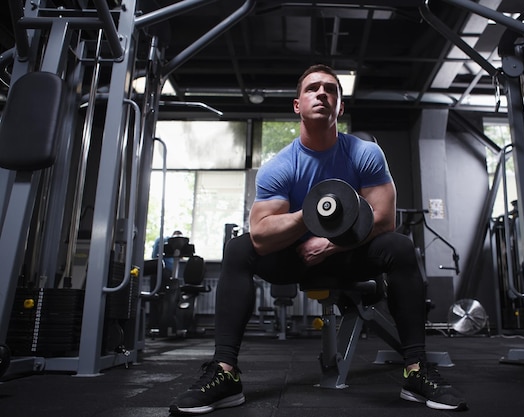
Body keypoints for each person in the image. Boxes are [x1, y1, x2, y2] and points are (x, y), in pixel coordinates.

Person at [169, 64, 467, 415]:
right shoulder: (280, 166)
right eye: (312, 88)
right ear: (297, 105)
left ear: (340, 107)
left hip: (349, 256)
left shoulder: (364, 154)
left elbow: (385, 219)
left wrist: (331, 242)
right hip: (298, 259)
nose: (322, 93)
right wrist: (309, 214)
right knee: (239, 249)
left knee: (400, 246)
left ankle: (416, 369)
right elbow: (262, 235)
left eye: (330, 89)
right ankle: (225, 372)